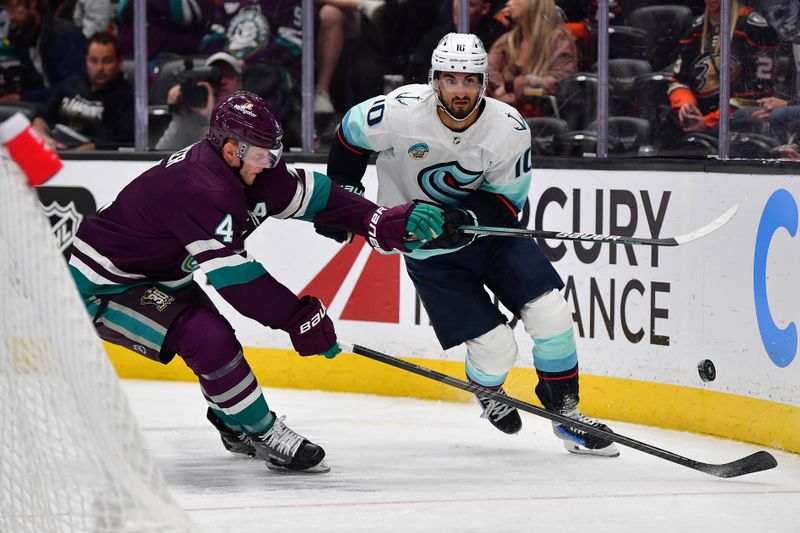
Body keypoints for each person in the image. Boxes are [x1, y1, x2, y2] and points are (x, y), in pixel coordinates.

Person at [66, 90, 445, 473]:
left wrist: (375, 220)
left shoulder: (252, 169)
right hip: (104, 284)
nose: (271, 162)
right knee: (206, 337)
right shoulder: (202, 189)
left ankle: (233, 423)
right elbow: (238, 282)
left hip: (160, 271)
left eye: (273, 151)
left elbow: (316, 196)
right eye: (262, 153)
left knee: (214, 342)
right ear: (231, 150)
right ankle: (262, 432)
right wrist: (298, 317)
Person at [319, 33, 619, 457]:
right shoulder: (401, 111)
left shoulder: (508, 128)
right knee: (497, 349)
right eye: (451, 80)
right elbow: (349, 135)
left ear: (484, 83)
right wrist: (342, 198)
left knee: (551, 314)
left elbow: (504, 202)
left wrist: (463, 220)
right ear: (434, 81)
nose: (460, 90)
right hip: (428, 252)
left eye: (470, 80)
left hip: (491, 240)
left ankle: (566, 412)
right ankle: (488, 389)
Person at [668, 0, 779, 136]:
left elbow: (757, 94)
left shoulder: (754, 28)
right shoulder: (695, 28)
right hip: (698, 114)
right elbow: (679, 80)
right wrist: (686, 105)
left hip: (735, 119)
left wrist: (708, 122)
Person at [32, 31, 133, 151]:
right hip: (56, 149)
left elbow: (127, 143)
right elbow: (41, 118)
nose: (100, 68)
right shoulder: (72, 83)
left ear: (119, 62)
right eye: (94, 61)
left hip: (93, 159)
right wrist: (42, 136)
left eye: (107, 61)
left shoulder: (125, 97)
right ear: (86, 60)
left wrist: (92, 149)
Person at [487, 0, 578, 118]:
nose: (508, 3)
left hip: (544, 123)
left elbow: (560, 84)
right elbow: (488, 76)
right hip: (504, 119)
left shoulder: (559, 40)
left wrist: (513, 86)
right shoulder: (506, 42)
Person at [1, 0, 86, 103]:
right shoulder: (22, 35)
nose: (11, 17)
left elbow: (72, 87)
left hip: (68, 107)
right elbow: (28, 79)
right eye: (7, 10)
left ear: (32, 3)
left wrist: (24, 97)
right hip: (40, 105)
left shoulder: (65, 35)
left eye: (14, 7)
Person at [155, 52, 243, 151]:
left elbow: (227, 157)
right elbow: (162, 151)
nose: (222, 81)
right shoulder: (195, 113)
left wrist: (209, 119)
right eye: (216, 76)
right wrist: (179, 117)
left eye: (228, 75)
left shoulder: (248, 115)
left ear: (239, 81)